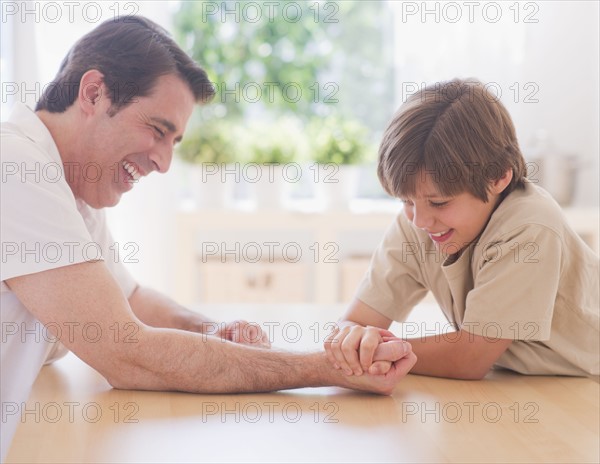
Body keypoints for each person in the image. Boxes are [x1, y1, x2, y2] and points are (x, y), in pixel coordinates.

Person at [0, 15, 416, 461]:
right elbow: (126, 352)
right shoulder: (18, 168)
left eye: (174, 142)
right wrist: (327, 367)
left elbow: (131, 298)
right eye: (157, 131)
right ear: (94, 93)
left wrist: (211, 329)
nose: (162, 163)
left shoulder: (71, 183)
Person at [324, 78, 599, 380]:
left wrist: (379, 353)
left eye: (439, 202)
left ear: (498, 178)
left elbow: (469, 357)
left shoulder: (530, 227)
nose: (419, 221)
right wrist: (350, 342)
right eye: (406, 201)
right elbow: (356, 322)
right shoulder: (419, 220)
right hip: (523, 381)